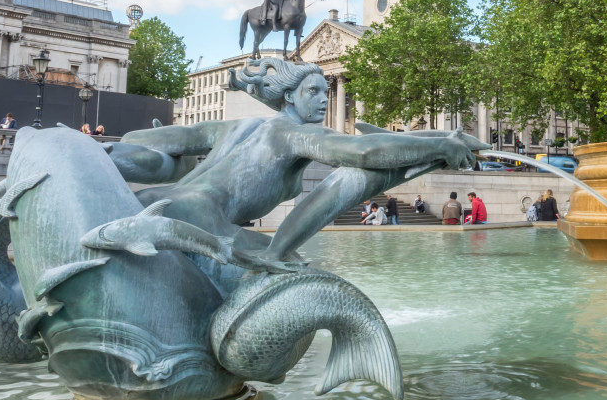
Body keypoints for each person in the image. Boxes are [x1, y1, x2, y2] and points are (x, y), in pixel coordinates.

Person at [109, 57, 484, 267]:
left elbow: (141, 140)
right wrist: (439, 147)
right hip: (202, 225)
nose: (323, 100)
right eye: (314, 92)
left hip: (152, 205)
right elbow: (366, 153)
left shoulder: (236, 126)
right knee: (300, 271)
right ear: (289, 97)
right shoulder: (295, 134)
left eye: (325, 91)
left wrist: (172, 164)